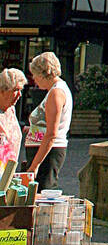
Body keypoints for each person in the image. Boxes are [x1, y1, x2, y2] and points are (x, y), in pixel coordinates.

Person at [24, 52, 73, 191]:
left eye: (34, 74)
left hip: (48, 152)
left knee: (43, 193)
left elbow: (52, 133)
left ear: (42, 74)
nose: (34, 79)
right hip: (45, 150)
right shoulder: (56, 90)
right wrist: (32, 129)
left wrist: (34, 166)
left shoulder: (56, 93)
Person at [0, 68, 27, 166]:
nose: (20, 95)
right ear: (3, 90)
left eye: (21, 90)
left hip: (9, 170)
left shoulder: (11, 110)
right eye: (16, 90)